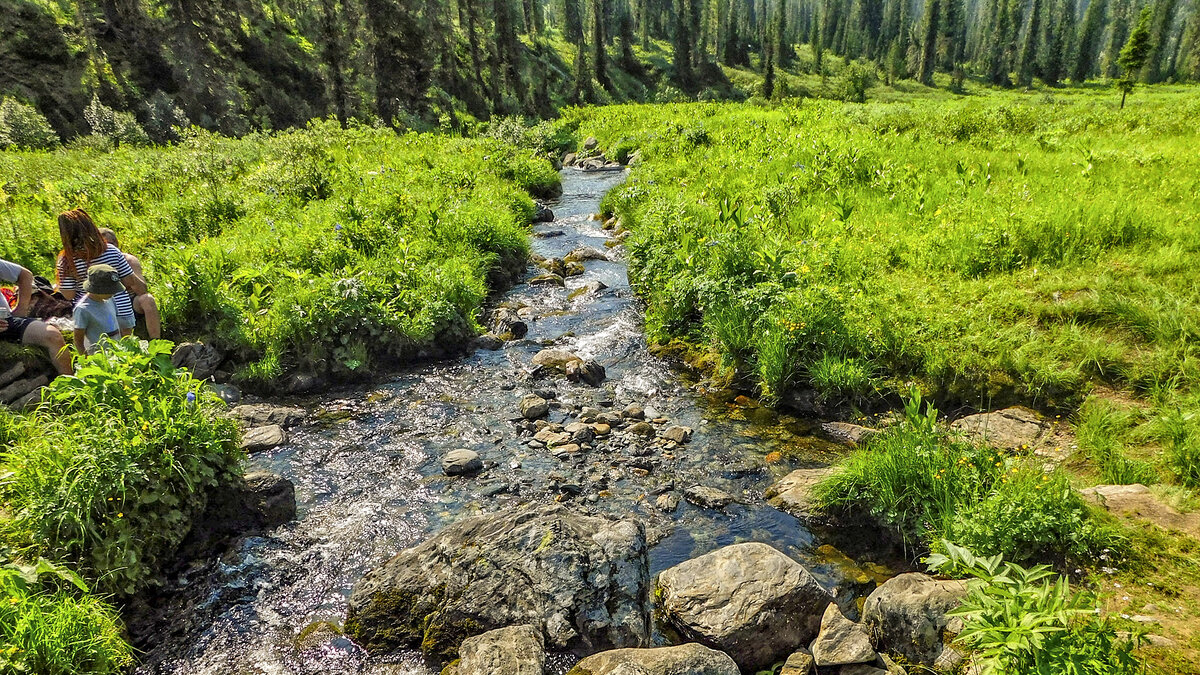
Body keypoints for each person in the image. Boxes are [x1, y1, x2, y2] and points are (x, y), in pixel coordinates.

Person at [54, 209, 149, 339]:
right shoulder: (110, 250)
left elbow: (68, 295)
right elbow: (129, 281)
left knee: (99, 352)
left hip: (93, 313)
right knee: (126, 348)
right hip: (122, 310)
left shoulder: (67, 260)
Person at [0, 258, 74, 375]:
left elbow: (25, 275)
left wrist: (21, 309)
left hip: (6, 319)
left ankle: (71, 386)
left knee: (53, 335)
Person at [98, 227, 161, 339]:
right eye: (103, 245)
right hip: (107, 305)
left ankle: (156, 342)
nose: (107, 248)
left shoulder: (129, 260)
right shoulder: (95, 264)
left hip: (131, 302)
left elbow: (142, 290)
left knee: (148, 299)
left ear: (117, 243)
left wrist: (127, 274)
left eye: (110, 244)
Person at [71, 264, 124, 355]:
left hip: (116, 351)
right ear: (96, 290)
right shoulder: (83, 309)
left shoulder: (110, 299)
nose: (113, 293)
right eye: (109, 291)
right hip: (98, 355)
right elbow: (78, 340)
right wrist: (86, 360)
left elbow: (116, 324)